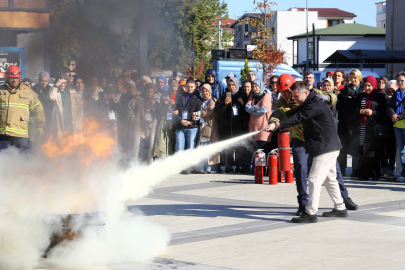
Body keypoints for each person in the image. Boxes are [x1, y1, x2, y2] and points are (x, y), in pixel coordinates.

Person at [269, 75, 358, 216]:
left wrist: (279, 124)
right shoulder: (304, 101)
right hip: (316, 142)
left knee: (314, 179)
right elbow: (283, 112)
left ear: (304, 92)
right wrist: (273, 121)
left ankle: (310, 213)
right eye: (284, 93)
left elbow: (300, 116)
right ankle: (340, 207)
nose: (289, 97)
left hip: (324, 146)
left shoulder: (314, 101)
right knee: (329, 179)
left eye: (291, 94)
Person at [0, 65, 45, 152]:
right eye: (12, 78)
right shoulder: (1, 91)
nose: (14, 80)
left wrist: (40, 125)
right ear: (7, 77)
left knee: (20, 161)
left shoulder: (28, 92)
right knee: (3, 161)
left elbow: (38, 109)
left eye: (16, 78)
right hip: (3, 134)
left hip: (21, 135)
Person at [352, 76, 386, 181]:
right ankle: (363, 174)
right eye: (366, 85)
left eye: (369, 85)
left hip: (373, 127)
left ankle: (375, 173)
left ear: (374, 85)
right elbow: (353, 108)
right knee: (362, 150)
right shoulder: (360, 96)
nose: (367, 88)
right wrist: (360, 111)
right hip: (362, 126)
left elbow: (383, 112)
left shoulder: (379, 97)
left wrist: (373, 112)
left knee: (373, 151)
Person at [216, 77, 246, 173]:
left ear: (236, 85)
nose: (231, 87)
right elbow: (218, 110)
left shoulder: (241, 95)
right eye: (229, 85)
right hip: (227, 126)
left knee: (238, 146)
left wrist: (242, 103)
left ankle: (238, 166)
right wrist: (224, 103)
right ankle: (228, 165)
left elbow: (247, 110)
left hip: (238, 125)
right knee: (228, 146)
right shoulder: (224, 96)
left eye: (233, 85)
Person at [172, 79, 202, 173]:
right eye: (188, 86)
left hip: (192, 128)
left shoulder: (197, 99)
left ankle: (188, 167)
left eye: (191, 87)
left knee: (190, 147)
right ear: (185, 87)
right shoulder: (180, 97)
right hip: (180, 126)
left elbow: (198, 114)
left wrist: (190, 122)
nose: (190, 88)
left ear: (194, 87)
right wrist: (180, 120)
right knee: (179, 147)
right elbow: (175, 112)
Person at [338, 69, 364, 177]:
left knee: (358, 146)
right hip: (348, 123)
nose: (353, 80)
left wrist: (351, 101)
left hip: (361, 123)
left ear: (359, 78)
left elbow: (358, 105)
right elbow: (344, 106)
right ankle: (347, 169)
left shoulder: (363, 90)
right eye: (351, 78)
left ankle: (357, 169)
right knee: (347, 146)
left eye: (355, 78)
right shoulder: (345, 91)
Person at [48, 73, 83, 140]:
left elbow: (80, 105)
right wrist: (56, 85)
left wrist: (80, 116)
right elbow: (52, 97)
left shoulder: (72, 92)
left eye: (64, 83)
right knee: (61, 141)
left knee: (72, 139)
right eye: (61, 83)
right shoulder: (54, 91)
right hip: (60, 120)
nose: (63, 85)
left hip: (71, 120)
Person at [195, 83, 220, 173]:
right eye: (203, 91)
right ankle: (201, 167)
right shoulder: (200, 101)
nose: (205, 93)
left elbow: (209, 111)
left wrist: (198, 113)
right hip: (201, 127)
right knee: (202, 147)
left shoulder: (213, 101)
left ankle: (210, 168)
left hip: (210, 127)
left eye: (207, 91)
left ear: (210, 91)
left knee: (210, 147)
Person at [245, 79, 272, 160]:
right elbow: (247, 108)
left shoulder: (266, 95)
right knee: (255, 150)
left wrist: (252, 111)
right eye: (253, 87)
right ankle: (256, 169)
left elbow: (263, 110)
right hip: (253, 128)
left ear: (260, 86)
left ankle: (264, 169)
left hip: (263, 127)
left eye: (256, 86)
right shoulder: (252, 96)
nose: (254, 88)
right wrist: (255, 107)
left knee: (263, 149)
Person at [387, 71, 405, 182]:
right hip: (397, 126)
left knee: (404, 151)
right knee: (400, 150)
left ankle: (403, 173)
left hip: (402, 123)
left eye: (402, 80)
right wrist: (392, 114)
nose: (400, 82)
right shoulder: (396, 94)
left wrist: (398, 117)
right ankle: (400, 172)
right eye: (398, 80)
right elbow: (389, 107)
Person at [384, 80, 401, 178]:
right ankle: (389, 168)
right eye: (389, 91)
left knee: (398, 149)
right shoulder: (384, 99)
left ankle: (398, 170)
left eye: (393, 91)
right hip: (387, 128)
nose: (390, 94)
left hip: (398, 125)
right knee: (389, 149)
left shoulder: (398, 98)